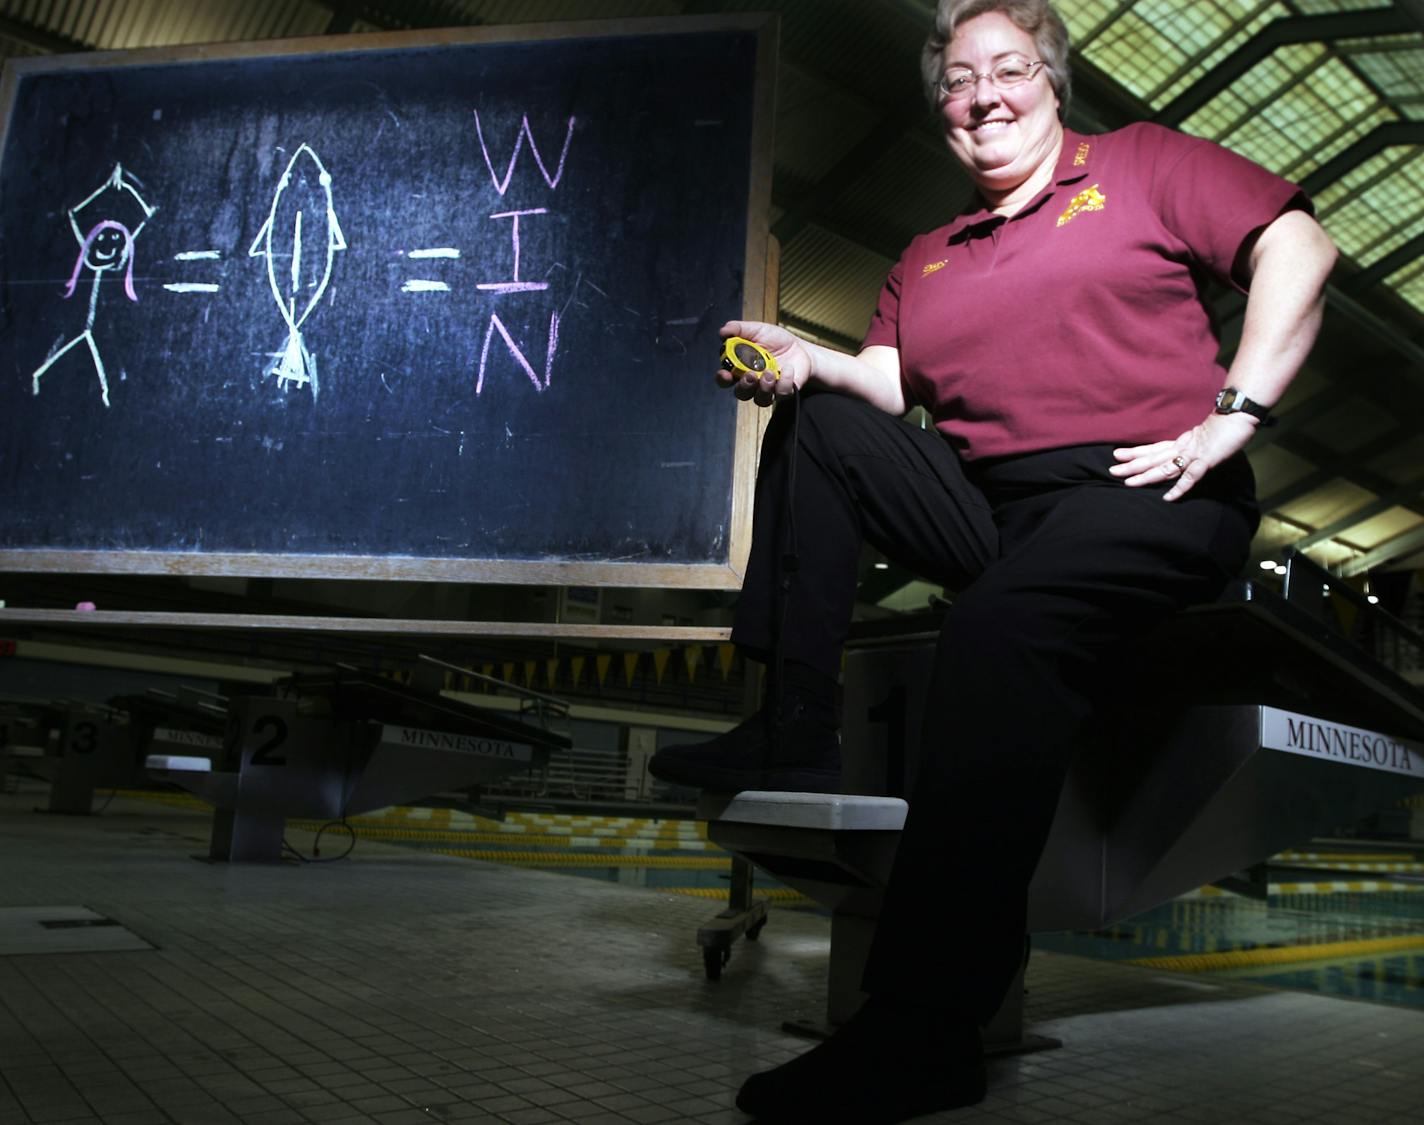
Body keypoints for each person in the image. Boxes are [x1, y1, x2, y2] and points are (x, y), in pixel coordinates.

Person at [649, 0, 1338, 1120]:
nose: (982, 95)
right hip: (996, 509)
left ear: (1051, 81)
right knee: (817, 423)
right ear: (942, 111)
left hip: (1146, 487)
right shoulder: (926, 255)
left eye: (1007, 68)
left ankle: (925, 1029)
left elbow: (1298, 248)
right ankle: (791, 724)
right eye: (956, 82)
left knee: (992, 631)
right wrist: (803, 357)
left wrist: (1234, 416)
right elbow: (884, 387)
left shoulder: (1142, 164)